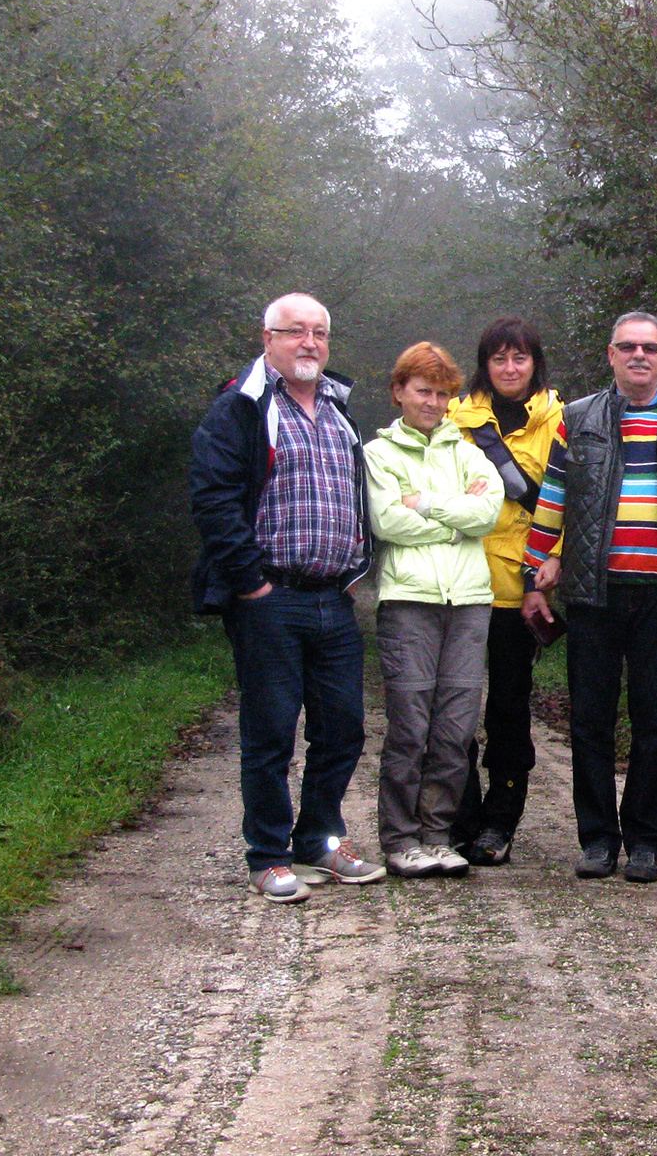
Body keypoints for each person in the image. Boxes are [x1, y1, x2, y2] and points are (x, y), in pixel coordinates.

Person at [521, 312, 657, 884]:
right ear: (611, 355)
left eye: (651, 347)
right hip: (593, 594)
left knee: (654, 723)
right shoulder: (578, 418)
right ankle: (597, 841)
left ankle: (645, 843)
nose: (639, 355)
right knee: (590, 723)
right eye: (628, 347)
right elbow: (553, 498)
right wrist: (531, 574)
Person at [189, 292, 386, 904]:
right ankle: (268, 854)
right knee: (272, 730)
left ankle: (318, 841)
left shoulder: (338, 409)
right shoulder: (241, 408)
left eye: (319, 333)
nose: (309, 343)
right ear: (267, 337)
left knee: (344, 730)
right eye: (295, 331)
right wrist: (250, 581)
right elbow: (214, 498)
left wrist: (358, 571)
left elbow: (353, 497)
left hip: (333, 598)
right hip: (269, 598)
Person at [364, 342, 503, 878]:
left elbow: (488, 512)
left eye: (444, 393)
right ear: (399, 392)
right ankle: (400, 840)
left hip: (469, 602)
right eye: (424, 391)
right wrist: (456, 518)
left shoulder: (467, 452)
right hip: (409, 604)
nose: (434, 402)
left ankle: (438, 834)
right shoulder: (379, 454)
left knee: (455, 729)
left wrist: (422, 503)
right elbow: (386, 523)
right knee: (410, 728)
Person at [446, 319, 565, 867]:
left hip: (523, 587)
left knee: (509, 708)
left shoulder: (560, 420)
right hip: (463, 583)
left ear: (535, 362)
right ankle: (459, 815)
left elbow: (570, 498)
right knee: (455, 707)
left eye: (520, 358)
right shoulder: (455, 418)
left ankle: (500, 820)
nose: (510, 368)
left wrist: (551, 562)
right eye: (499, 359)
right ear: (484, 365)